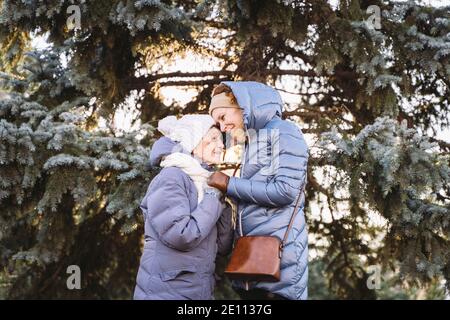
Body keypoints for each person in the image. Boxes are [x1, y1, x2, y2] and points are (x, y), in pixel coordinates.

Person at [207, 81, 309, 300]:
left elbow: (285, 191)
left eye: (223, 117)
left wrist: (229, 184)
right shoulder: (251, 143)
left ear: (242, 104)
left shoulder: (284, 131)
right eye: (218, 123)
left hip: (279, 270)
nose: (223, 127)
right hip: (252, 268)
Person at [134, 114, 233, 300]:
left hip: (198, 292)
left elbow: (220, 247)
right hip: (165, 292)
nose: (221, 145)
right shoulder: (171, 177)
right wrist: (213, 196)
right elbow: (181, 235)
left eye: (221, 140)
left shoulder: (207, 183)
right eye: (213, 139)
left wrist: (225, 202)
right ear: (192, 144)